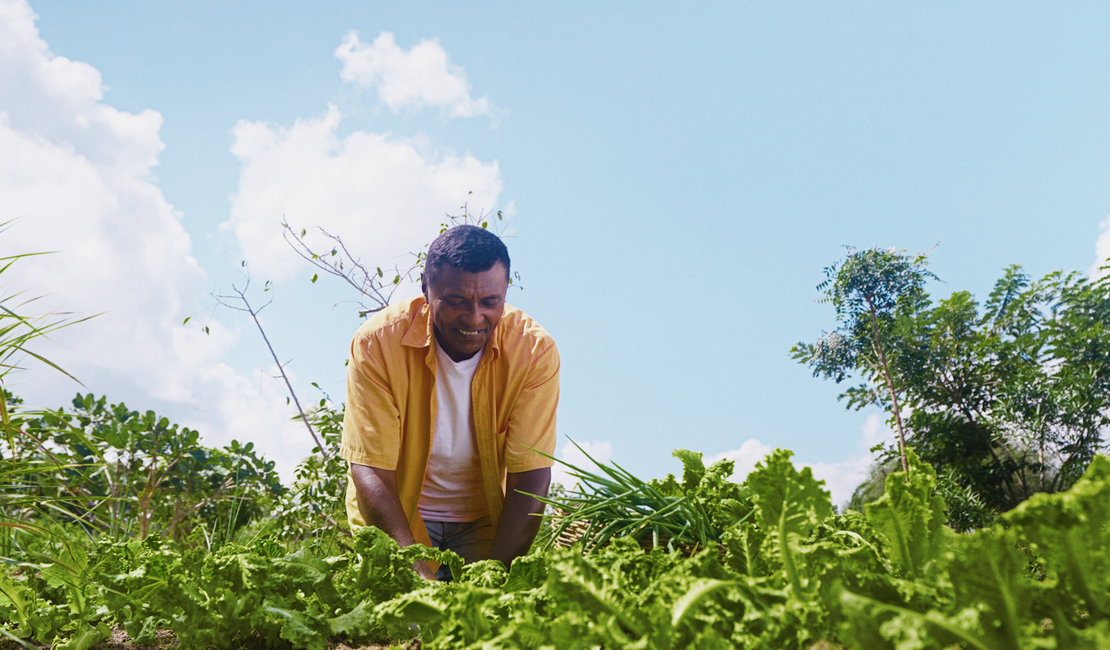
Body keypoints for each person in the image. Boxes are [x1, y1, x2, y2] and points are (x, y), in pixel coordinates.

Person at [340, 225, 558, 580]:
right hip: (399, 519)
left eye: (490, 302)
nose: (474, 318)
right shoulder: (377, 344)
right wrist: (413, 571)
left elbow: (530, 476)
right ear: (427, 288)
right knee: (408, 624)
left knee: (483, 622)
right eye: (456, 301)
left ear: (505, 292)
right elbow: (370, 469)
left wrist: (494, 579)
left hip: (484, 521)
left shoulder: (533, 351)